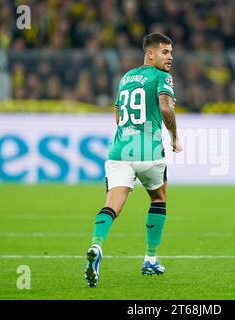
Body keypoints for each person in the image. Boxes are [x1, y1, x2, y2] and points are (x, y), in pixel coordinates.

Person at [84, 33, 182, 287]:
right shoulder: (162, 77)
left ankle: (96, 245)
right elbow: (165, 108)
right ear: (150, 53)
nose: (170, 57)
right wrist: (175, 137)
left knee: (112, 205)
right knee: (158, 198)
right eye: (165, 52)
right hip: (148, 152)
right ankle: (150, 259)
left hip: (119, 152)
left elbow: (117, 115)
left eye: (171, 52)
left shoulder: (126, 77)